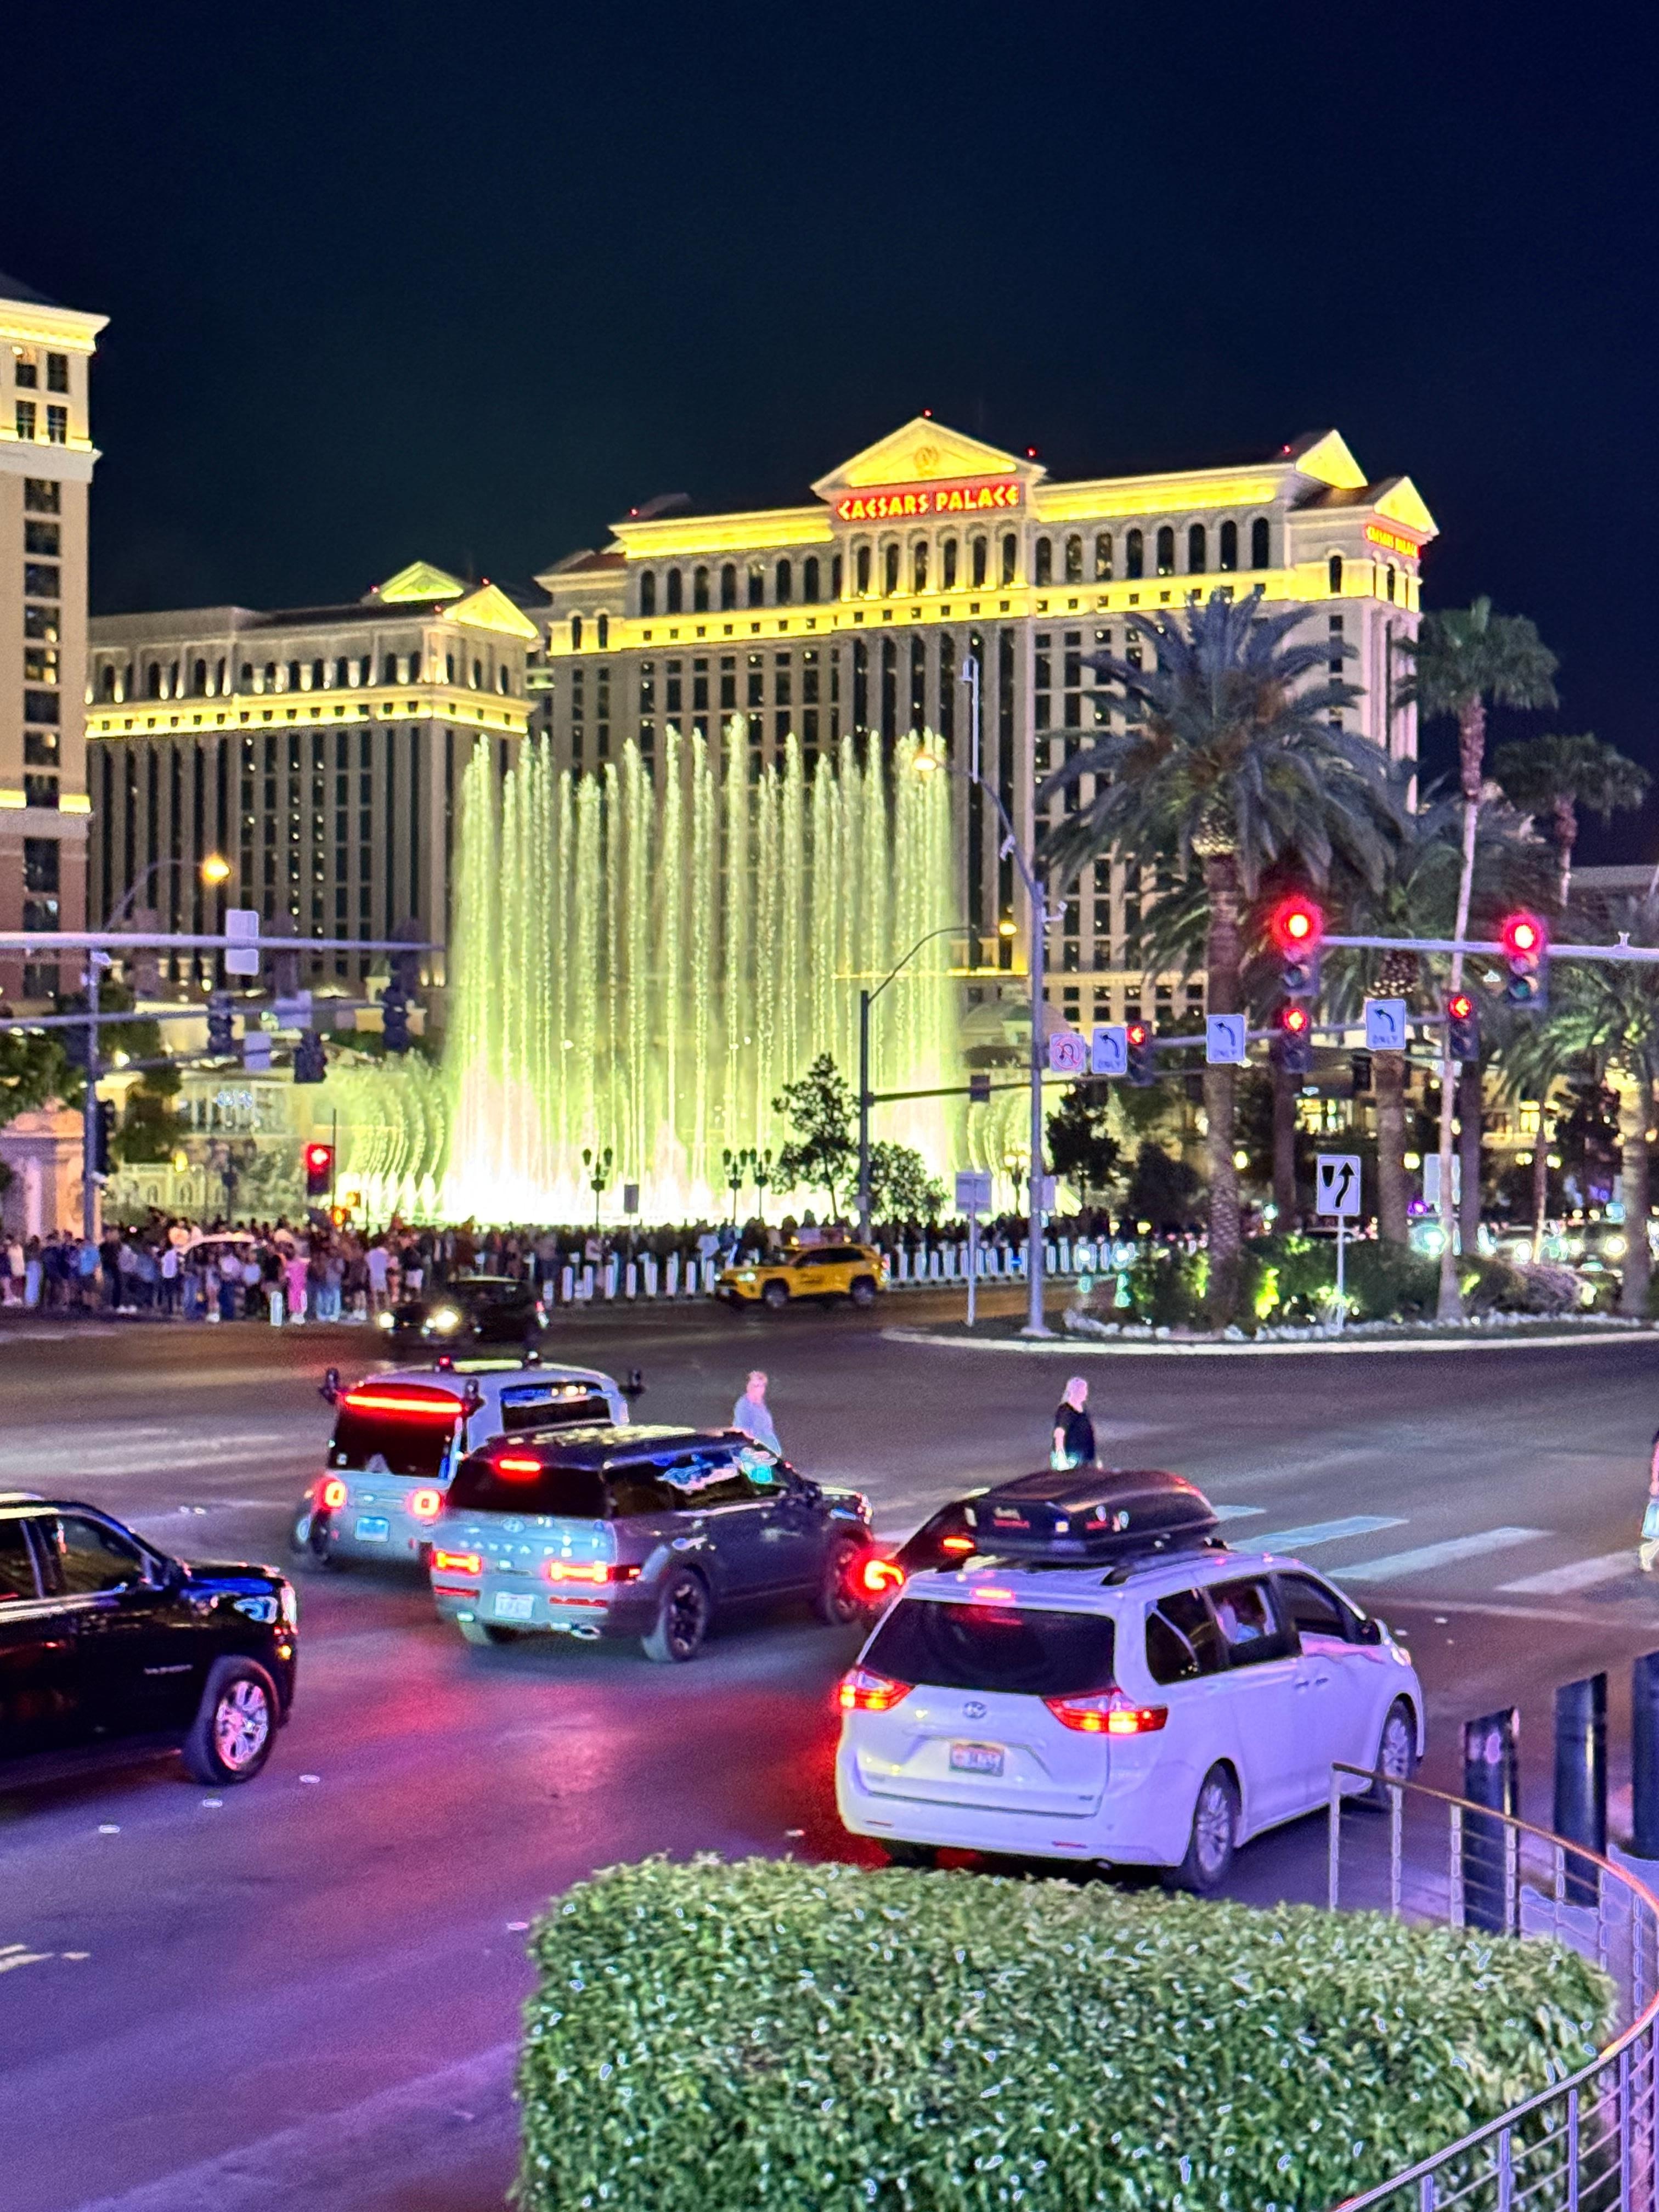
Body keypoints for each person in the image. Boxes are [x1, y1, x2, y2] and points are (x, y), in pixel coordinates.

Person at [732, 1369, 781, 1455]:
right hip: (756, 1449)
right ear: (748, 1386)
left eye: (762, 1386)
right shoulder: (744, 1405)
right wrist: (758, 1449)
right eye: (756, 1386)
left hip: (770, 1445)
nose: (759, 1389)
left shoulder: (761, 1403)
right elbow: (743, 1431)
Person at [1052, 1376, 1096, 1470]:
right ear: (1075, 1392)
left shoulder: (1084, 1411)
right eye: (1083, 1390)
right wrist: (1061, 1459)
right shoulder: (1066, 1411)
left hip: (1085, 1460)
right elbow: (1059, 1434)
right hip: (1071, 1460)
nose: (1085, 1393)